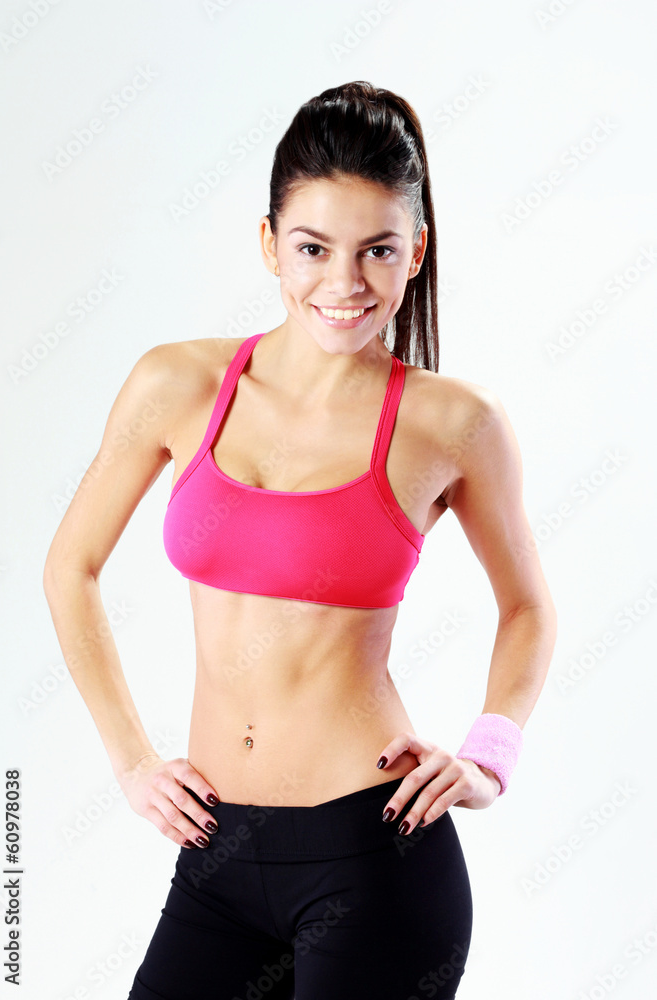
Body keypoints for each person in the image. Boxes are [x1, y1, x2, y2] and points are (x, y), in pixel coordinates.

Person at [43, 81, 557, 1000]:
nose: (344, 283)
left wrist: (488, 756)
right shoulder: (176, 383)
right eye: (314, 249)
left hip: (373, 856)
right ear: (270, 244)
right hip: (213, 855)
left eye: (378, 251)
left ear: (415, 253)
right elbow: (69, 567)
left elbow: (526, 606)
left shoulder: (454, 424)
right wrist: (129, 758)